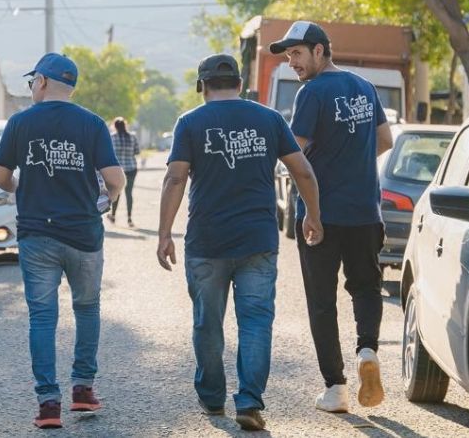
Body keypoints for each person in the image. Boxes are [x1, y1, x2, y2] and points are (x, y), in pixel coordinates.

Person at [157, 53, 323, 431]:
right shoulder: (269, 119)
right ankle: (249, 401)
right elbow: (304, 172)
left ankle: (213, 397)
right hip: (258, 242)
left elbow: (175, 179)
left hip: (206, 243)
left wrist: (165, 233)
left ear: (202, 87)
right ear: (240, 84)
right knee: (256, 322)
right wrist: (312, 216)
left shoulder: (190, 122)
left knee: (207, 322)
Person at [0, 53, 125, 429]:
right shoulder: (92, 124)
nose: (31, 86)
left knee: (42, 317)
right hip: (84, 233)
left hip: (37, 235)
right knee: (86, 308)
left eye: (33, 80)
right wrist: (106, 200)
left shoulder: (19, 123)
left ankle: (48, 404)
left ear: (44, 82)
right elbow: (115, 180)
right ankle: (83, 390)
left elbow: (0, 178)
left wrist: (23, 186)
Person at [270, 21, 393, 412]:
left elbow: (296, 155)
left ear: (320, 50)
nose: (292, 62)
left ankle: (336, 388)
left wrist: (317, 198)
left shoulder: (311, 93)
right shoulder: (364, 87)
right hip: (365, 212)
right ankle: (368, 350)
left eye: (298, 54)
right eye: (289, 55)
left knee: (322, 301)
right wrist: (350, 164)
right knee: (367, 287)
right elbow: (385, 141)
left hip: (320, 215)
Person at [107, 117, 140, 227]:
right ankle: (129, 218)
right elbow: (137, 151)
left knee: (117, 192)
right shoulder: (132, 137)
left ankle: (113, 215)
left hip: (118, 169)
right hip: (131, 168)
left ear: (115, 126)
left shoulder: (112, 138)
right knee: (129, 193)